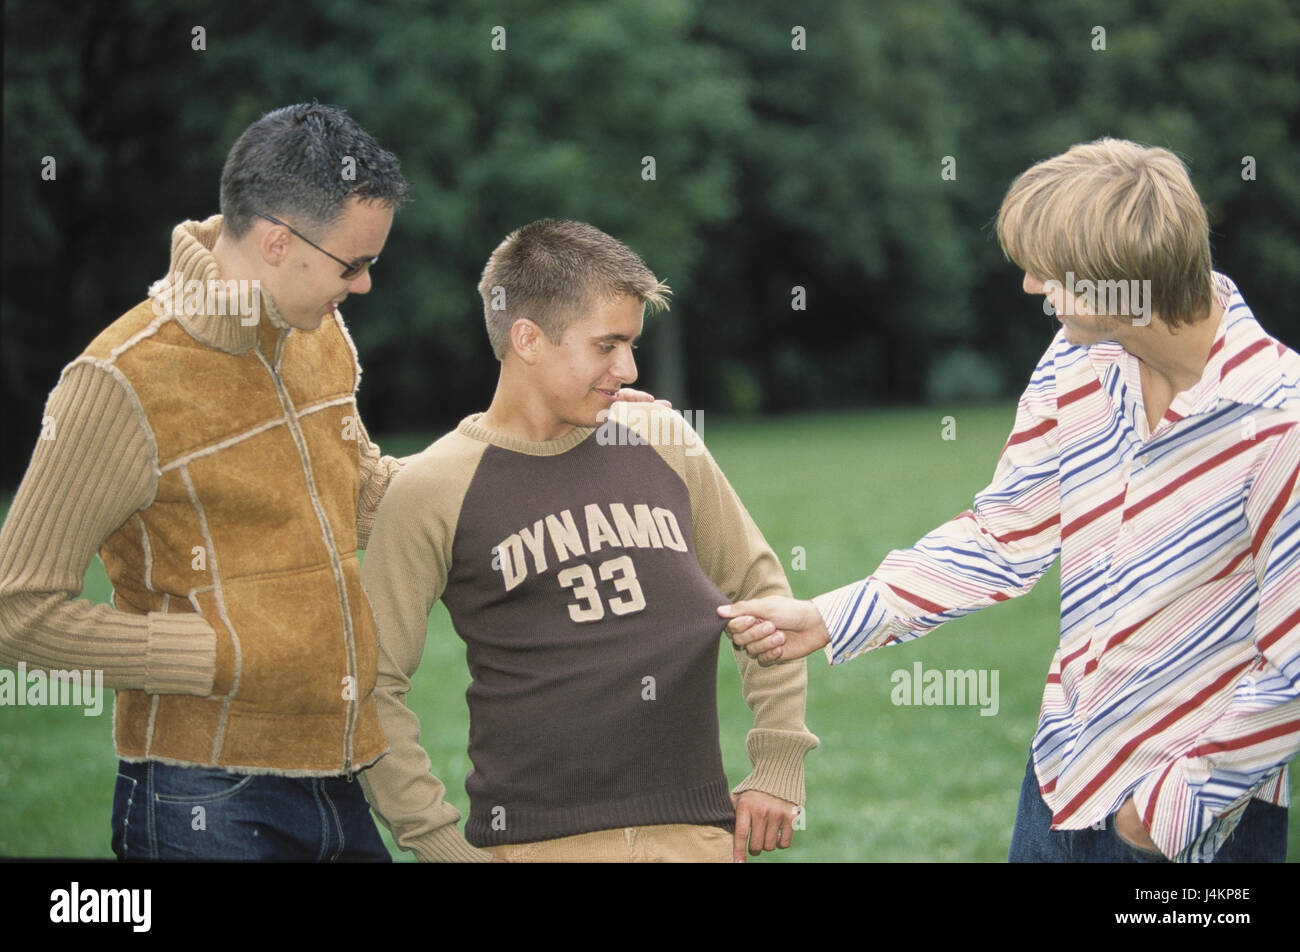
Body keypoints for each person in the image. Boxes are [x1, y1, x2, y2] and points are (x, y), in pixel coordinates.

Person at [721, 138, 1299, 863]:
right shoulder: (1077, 360)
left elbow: (1294, 669)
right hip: (1059, 783)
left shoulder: (1282, 421)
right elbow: (1002, 535)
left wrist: (1164, 816)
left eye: (1046, 270)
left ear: (1116, 283)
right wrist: (828, 616)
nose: (1029, 285)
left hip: (1196, 826)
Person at [0, 102, 413, 861]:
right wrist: (212, 657)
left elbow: (362, 500)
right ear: (280, 241)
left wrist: (525, 446)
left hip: (341, 775)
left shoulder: (317, 337)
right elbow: (16, 611)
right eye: (353, 265)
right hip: (200, 799)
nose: (362, 288)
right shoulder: (118, 380)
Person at [357, 219, 818, 862]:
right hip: (534, 846)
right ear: (528, 340)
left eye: (631, 345)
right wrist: (437, 844)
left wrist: (776, 762)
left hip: (696, 839)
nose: (627, 368)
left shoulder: (662, 439)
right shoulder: (431, 489)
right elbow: (371, 683)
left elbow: (760, 595)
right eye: (608, 345)